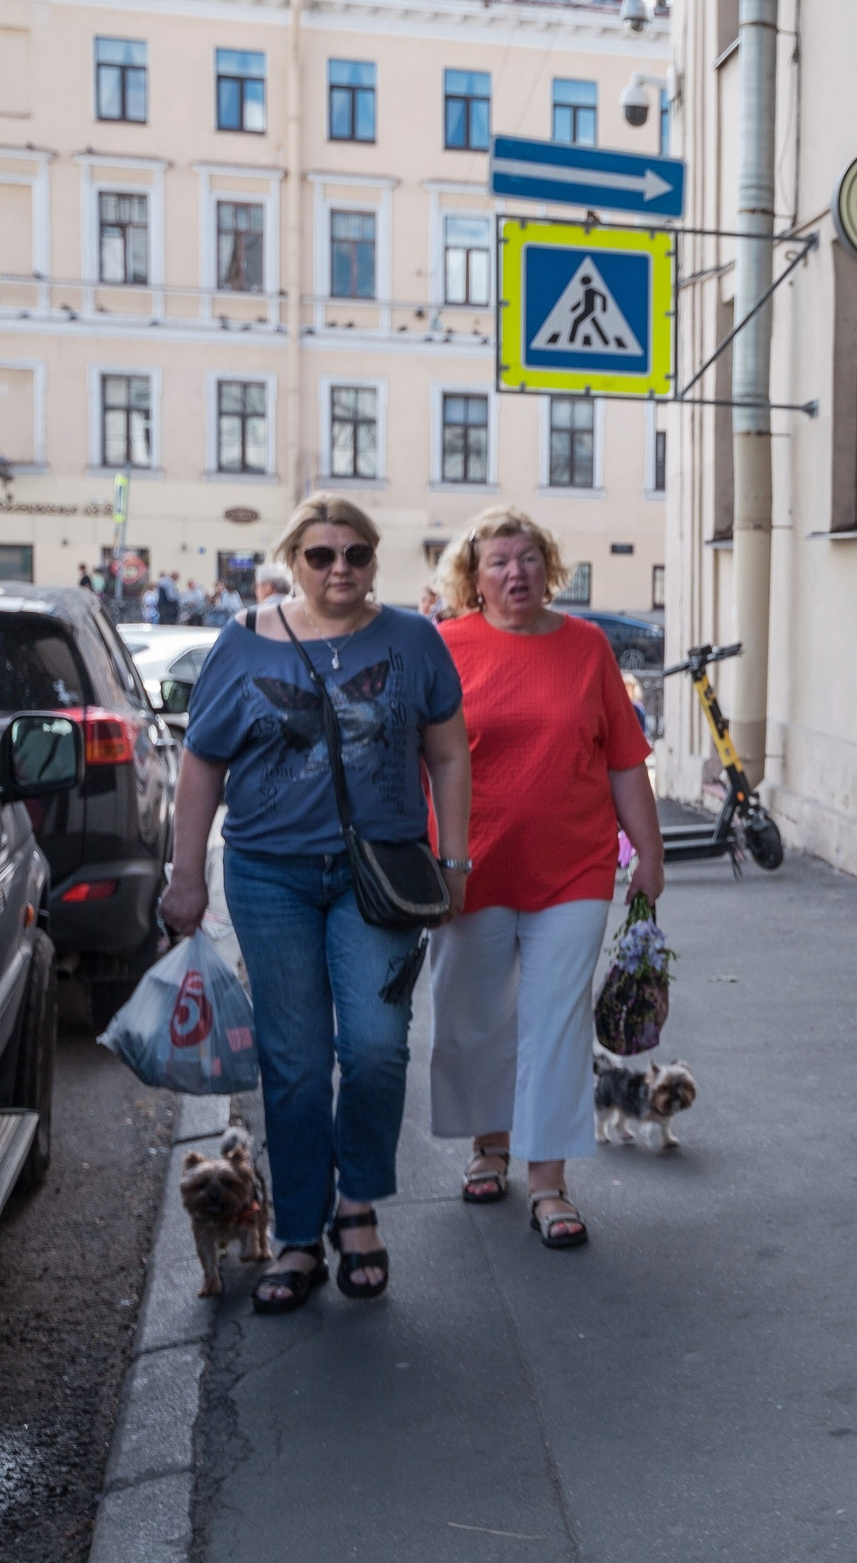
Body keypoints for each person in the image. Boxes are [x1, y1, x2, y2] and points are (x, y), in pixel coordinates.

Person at [160, 496, 472, 1314]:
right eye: (321, 554)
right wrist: (186, 873)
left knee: (373, 1047)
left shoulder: (413, 640)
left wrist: (456, 856)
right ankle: (299, 1232)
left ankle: (357, 1203)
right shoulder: (242, 640)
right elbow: (201, 763)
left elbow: (447, 752)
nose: (341, 569)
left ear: (375, 559)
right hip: (269, 876)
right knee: (294, 1063)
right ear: (291, 559)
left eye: (357, 554)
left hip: (381, 875)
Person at [426, 508, 663, 1250]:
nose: (515, 572)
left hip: (575, 868)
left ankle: (549, 1181)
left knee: (555, 1024)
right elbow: (416, 758)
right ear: (474, 575)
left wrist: (647, 852)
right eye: (498, 561)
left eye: (528, 557)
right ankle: (487, 1144)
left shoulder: (587, 647)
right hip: (470, 866)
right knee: (472, 1016)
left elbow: (625, 758)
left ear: (548, 564)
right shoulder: (445, 647)